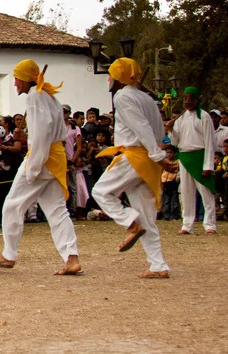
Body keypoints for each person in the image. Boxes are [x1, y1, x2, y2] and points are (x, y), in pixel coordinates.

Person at [0, 61, 81, 275]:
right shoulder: (47, 96)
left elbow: (41, 135)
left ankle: (9, 254)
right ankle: (71, 257)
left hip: (42, 158)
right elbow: (45, 131)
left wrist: (34, 166)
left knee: (12, 205)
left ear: (26, 78)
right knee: (57, 210)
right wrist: (27, 137)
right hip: (54, 158)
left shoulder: (35, 96)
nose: (15, 83)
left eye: (17, 79)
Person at [91, 58, 178, 279]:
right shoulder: (146, 98)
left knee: (100, 191)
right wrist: (157, 154)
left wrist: (157, 155)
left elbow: (142, 127)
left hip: (135, 156)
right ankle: (158, 265)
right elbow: (157, 128)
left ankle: (130, 221)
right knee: (147, 216)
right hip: (147, 157)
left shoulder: (123, 97)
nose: (108, 80)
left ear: (118, 78)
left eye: (110, 75)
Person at [167, 86, 217, 235]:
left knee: (206, 193)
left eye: (191, 98)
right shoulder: (180, 118)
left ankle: (210, 225)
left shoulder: (204, 116)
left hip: (200, 157)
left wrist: (208, 164)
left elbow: (210, 141)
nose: (187, 101)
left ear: (197, 100)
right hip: (184, 157)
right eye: (185, 98)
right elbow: (175, 142)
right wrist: (171, 129)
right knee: (186, 192)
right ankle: (187, 225)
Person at [160, 146, 181, 220]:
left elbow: (175, 169)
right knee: (166, 200)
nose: (169, 154)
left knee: (174, 199)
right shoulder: (164, 161)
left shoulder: (177, 161)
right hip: (165, 182)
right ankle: (166, 215)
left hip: (173, 182)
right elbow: (162, 171)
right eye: (168, 153)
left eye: (171, 153)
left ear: (174, 153)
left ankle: (174, 215)